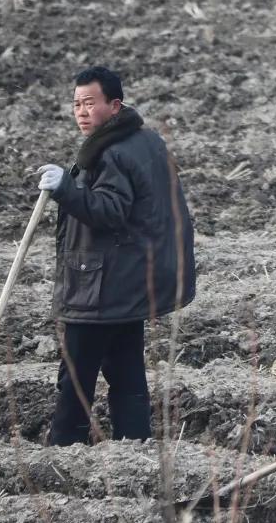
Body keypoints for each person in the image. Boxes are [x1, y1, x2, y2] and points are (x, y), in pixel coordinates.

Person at [36, 66, 196, 445]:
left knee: (76, 377)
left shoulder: (113, 154)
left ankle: (63, 452)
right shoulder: (146, 140)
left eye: (90, 103)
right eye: (76, 104)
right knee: (127, 373)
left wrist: (65, 189)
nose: (81, 112)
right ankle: (135, 447)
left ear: (114, 105)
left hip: (99, 289)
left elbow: (109, 211)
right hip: (129, 283)